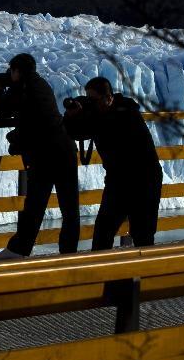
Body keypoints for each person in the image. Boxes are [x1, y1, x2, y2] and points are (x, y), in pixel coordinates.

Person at [0, 53, 80, 258]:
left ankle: (18, 250)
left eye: (11, 71)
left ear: (17, 71)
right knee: (70, 208)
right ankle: (69, 254)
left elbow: (2, 111)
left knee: (34, 207)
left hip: (44, 155)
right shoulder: (40, 84)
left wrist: (0, 88)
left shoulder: (22, 89)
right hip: (66, 150)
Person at [64, 76, 163, 250]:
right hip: (118, 181)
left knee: (143, 235)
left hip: (144, 180)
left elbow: (98, 127)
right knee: (102, 233)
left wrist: (83, 116)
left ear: (109, 98)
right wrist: (71, 116)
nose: (91, 103)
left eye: (94, 99)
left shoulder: (126, 113)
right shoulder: (101, 115)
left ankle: (144, 274)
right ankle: (105, 274)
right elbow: (75, 133)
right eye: (88, 99)